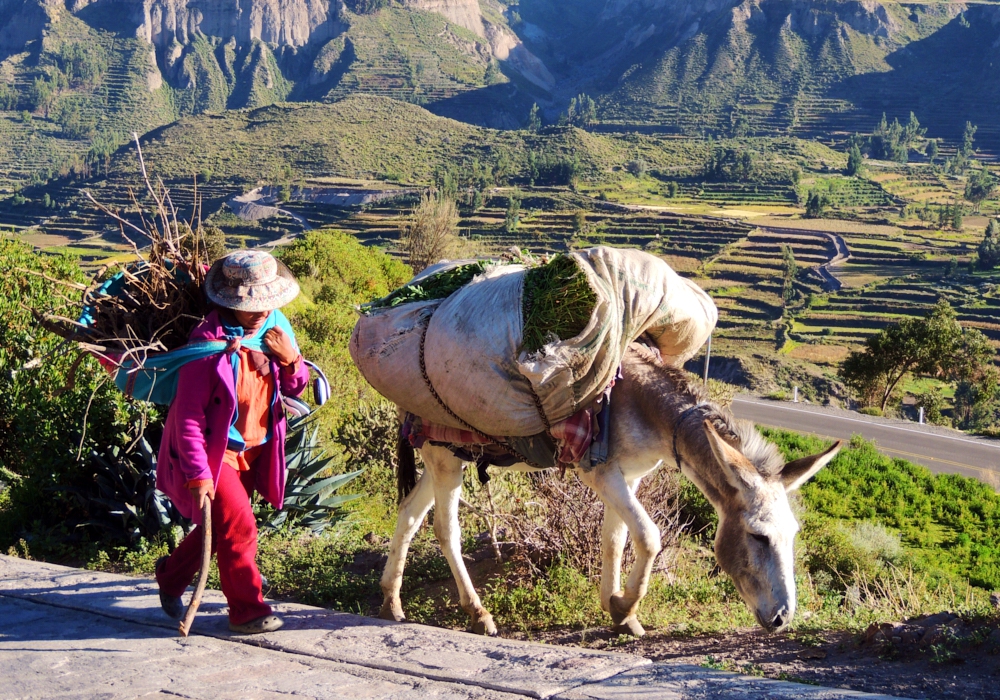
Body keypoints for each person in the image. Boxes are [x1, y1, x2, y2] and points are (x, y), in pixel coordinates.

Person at [155, 250, 310, 634]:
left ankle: (170, 577)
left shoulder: (276, 327)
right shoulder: (207, 343)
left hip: (255, 450)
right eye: (249, 304)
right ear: (228, 300)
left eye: (266, 302)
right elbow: (188, 417)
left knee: (221, 527)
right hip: (214, 454)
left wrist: (292, 361)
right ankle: (247, 610)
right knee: (240, 524)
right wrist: (198, 474)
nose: (259, 311)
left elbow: (296, 387)